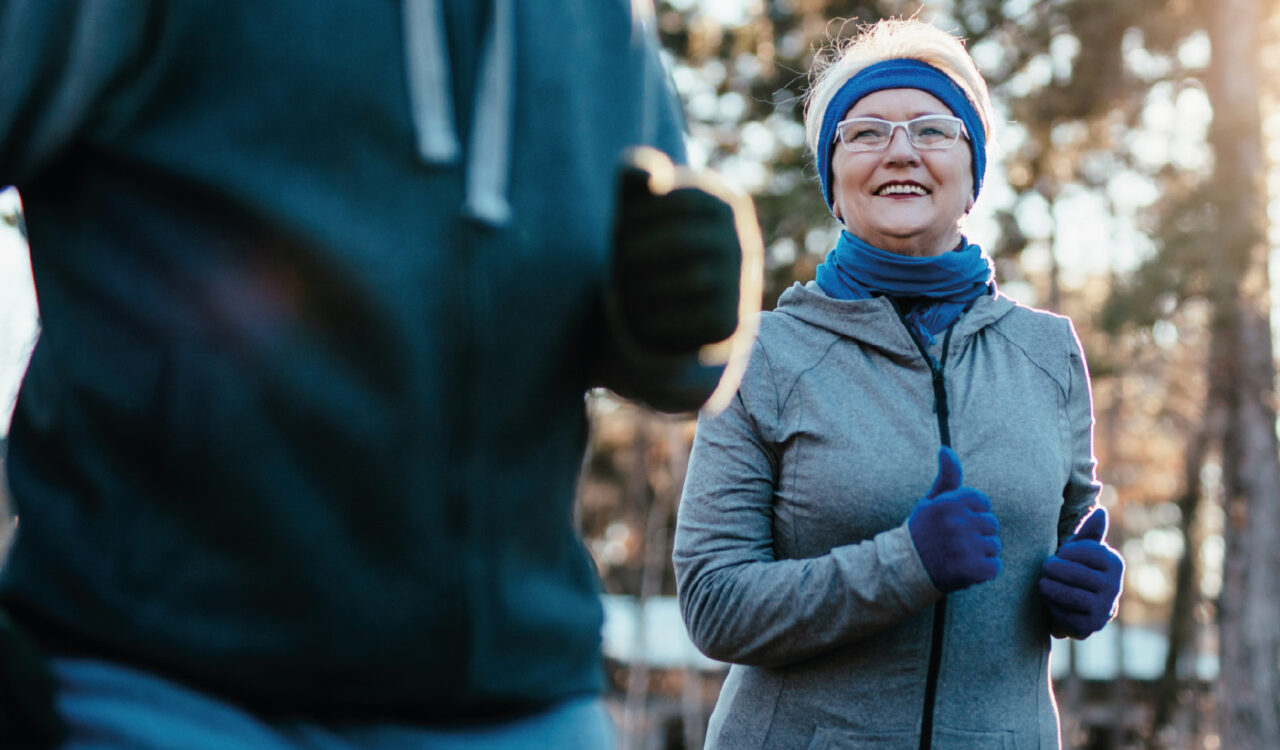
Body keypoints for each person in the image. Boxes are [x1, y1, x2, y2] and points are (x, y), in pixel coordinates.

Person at [0, 1, 746, 748]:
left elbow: (650, 340)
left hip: (524, 700)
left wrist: (678, 318)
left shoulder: (603, 17)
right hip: (155, 688)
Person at [673, 18, 1124, 750]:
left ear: (972, 169)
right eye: (867, 132)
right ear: (834, 178)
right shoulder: (763, 355)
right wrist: (905, 564)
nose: (901, 151)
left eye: (932, 129)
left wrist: (1087, 590)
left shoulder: (1048, 352)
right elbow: (714, 604)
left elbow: (1071, 529)